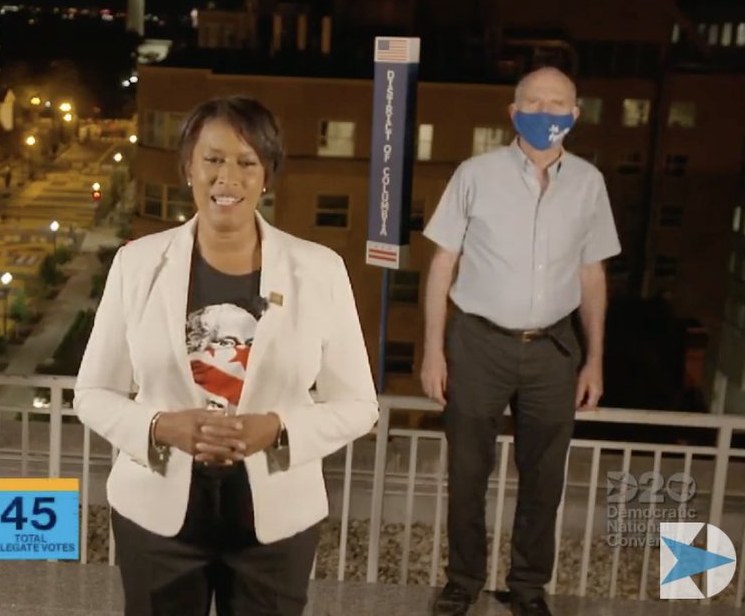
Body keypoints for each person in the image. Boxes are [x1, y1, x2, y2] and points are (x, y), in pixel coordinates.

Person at [75, 96, 379, 615]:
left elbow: (359, 405)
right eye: (212, 159)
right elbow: (92, 393)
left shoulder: (320, 270)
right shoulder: (137, 264)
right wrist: (160, 426)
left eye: (246, 162)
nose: (227, 178)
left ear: (267, 175)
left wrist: (278, 428)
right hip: (156, 515)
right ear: (188, 167)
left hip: (276, 519)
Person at [420, 67, 620, 616]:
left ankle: (528, 587)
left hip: (554, 349)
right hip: (478, 343)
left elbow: (592, 275)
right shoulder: (475, 174)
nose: (544, 112)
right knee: (467, 472)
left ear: (575, 115)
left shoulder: (589, 183)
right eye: (533, 102)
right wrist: (433, 350)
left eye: (557, 103)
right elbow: (442, 264)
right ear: (513, 112)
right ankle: (463, 580)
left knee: (545, 477)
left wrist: (594, 360)